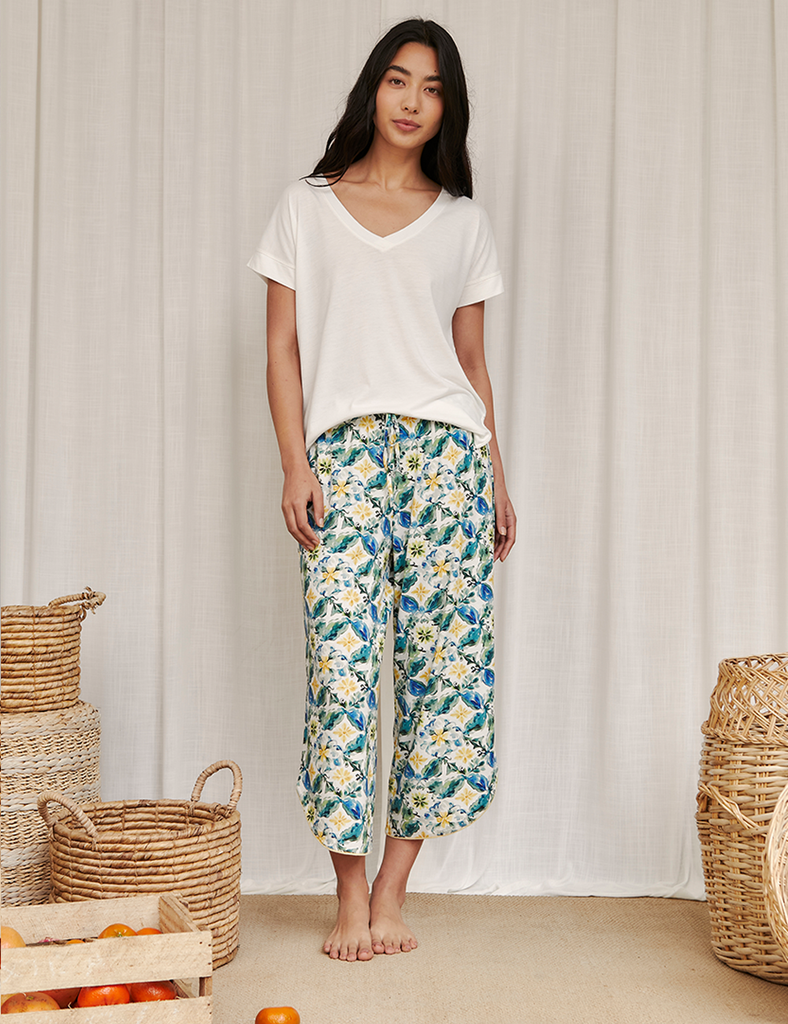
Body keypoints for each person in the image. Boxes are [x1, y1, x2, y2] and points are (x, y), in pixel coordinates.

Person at [248, 17, 516, 963]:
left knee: (446, 678)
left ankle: (395, 892)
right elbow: (281, 350)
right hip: (345, 458)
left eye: (432, 88)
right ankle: (348, 893)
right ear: (372, 88)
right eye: (399, 80)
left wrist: (496, 477)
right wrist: (295, 462)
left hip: (449, 460)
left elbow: (472, 365)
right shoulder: (306, 207)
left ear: (448, 108)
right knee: (342, 671)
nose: (412, 101)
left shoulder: (464, 222)